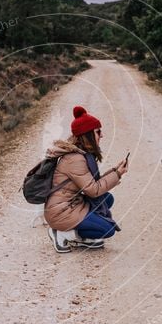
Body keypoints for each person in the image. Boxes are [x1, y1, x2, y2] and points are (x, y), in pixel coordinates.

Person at [44, 106, 129, 253]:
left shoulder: (81, 154)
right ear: (87, 134)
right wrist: (117, 175)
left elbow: (91, 184)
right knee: (107, 230)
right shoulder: (75, 159)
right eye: (98, 132)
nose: (101, 135)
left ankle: (83, 233)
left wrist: (116, 171)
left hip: (71, 204)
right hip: (61, 212)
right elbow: (94, 190)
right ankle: (62, 233)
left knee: (107, 199)